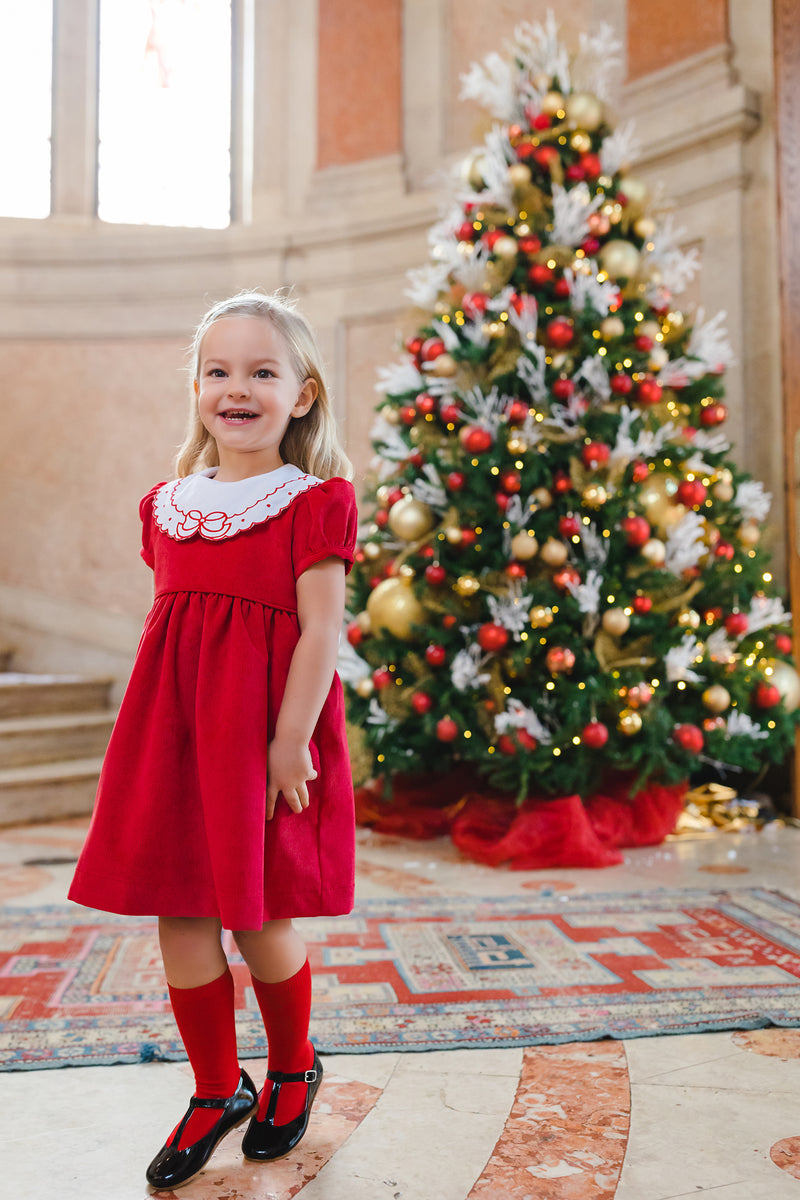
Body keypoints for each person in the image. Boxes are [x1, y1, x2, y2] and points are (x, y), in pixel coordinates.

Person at [69, 290, 358, 1189]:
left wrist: (288, 741)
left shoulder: (315, 503)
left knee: (261, 914)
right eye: (219, 371)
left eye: (262, 372)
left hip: (266, 733)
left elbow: (319, 634)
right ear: (196, 388)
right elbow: (179, 628)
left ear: (302, 395)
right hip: (174, 732)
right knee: (180, 909)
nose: (238, 388)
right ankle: (211, 1088)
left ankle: (293, 1065)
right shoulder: (167, 506)